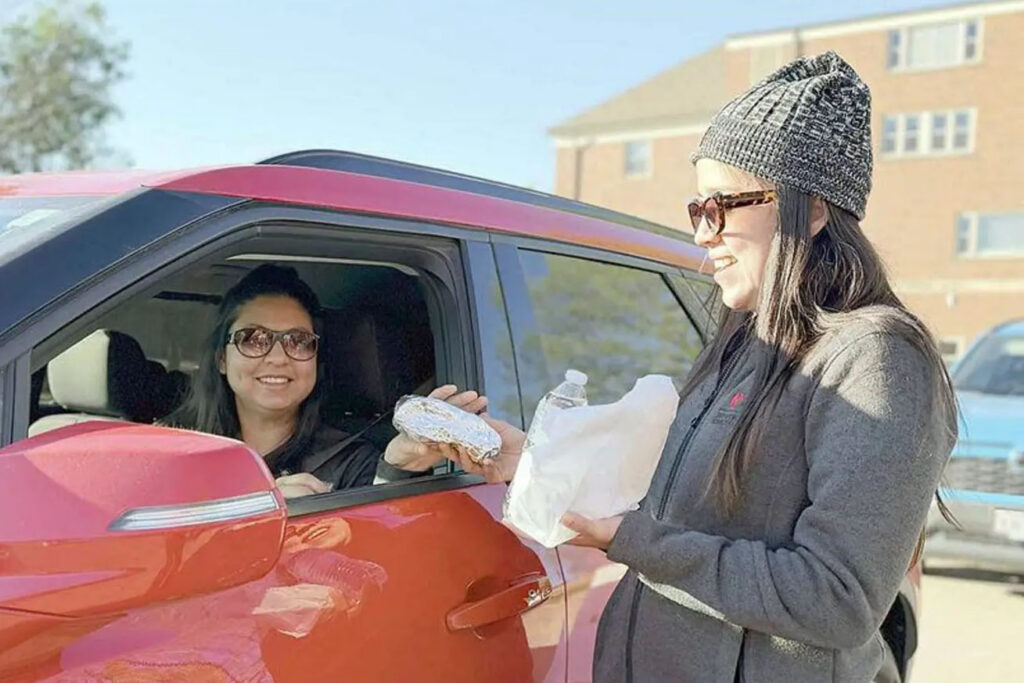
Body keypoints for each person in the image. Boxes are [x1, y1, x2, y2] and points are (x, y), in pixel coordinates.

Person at [447, 52, 957, 682]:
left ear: (814, 210)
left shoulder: (876, 360)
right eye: (697, 210)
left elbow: (837, 598)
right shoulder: (745, 343)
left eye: (722, 207)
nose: (702, 234)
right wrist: (535, 460)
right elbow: (670, 492)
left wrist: (631, 542)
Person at [168, 264, 487, 499]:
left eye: (298, 341)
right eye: (253, 338)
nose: (278, 357)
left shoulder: (350, 463)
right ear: (222, 359)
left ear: (316, 362)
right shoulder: (172, 447)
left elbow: (378, 557)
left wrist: (394, 470)